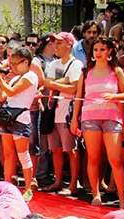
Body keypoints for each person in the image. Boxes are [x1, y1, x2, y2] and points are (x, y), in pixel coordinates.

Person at [71, 37, 124, 208]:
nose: (98, 53)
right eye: (96, 49)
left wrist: (114, 97)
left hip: (112, 117)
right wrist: (75, 119)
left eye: (102, 49)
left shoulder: (117, 71)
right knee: (93, 158)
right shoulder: (86, 72)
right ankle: (96, 194)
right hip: (90, 117)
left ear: (110, 51)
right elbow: (78, 98)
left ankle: (122, 198)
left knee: (115, 160)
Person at [0, 47, 40, 201]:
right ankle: (7, 185)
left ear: (26, 62)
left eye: (15, 64)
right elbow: (3, 97)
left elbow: (11, 92)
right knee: (8, 154)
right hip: (8, 115)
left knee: (22, 154)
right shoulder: (15, 78)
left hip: (20, 117)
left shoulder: (31, 76)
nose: (12, 67)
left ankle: (28, 188)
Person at [41, 32, 83, 196]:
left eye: (59, 43)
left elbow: (73, 88)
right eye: (54, 43)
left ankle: (73, 183)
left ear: (69, 45)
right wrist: (63, 82)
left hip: (68, 112)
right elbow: (48, 84)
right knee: (56, 149)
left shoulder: (76, 64)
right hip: (53, 111)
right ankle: (58, 181)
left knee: (71, 149)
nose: (55, 46)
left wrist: (55, 83)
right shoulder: (53, 64)